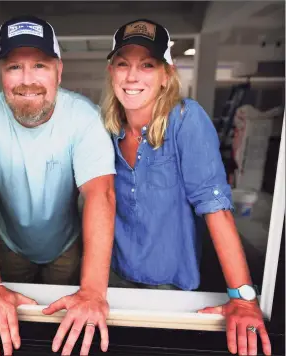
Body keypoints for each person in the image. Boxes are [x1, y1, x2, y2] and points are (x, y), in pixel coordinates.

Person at [102, 19, 271, 356]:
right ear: (112, 71)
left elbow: (215, 207)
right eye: (123, 64)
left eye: (147, 65)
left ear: (167, 74)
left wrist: (243, 295)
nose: (132, 76)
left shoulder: (184, 119)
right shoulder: (105, 128)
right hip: (115, 276)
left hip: (173, 282)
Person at [0, 15, 115, 356]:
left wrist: (93, 291)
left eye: (39, 65)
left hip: (66, 246)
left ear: (59, 72)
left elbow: (100, 193)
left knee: (61, 330)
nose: (27, 80)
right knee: (9, 328)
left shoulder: (84, 117)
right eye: (14, 67)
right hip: (8, 243)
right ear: (1, 73)